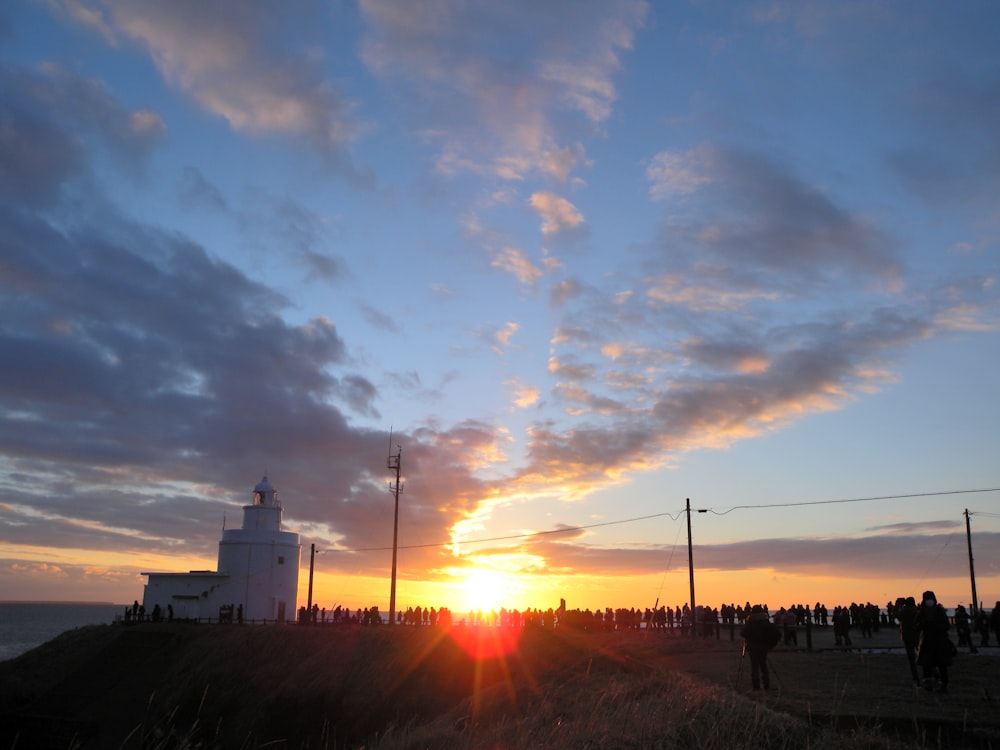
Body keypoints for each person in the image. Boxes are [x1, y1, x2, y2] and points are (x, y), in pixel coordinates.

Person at [915, 590, 951, 692]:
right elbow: (917, 625)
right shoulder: (922, 611)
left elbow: (946, 625)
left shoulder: (939, 610)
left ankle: (943, 684)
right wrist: (924, 624)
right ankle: (928, 684)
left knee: (941, 664)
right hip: (927, 641)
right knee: (926, 664)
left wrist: (936, 627)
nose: (929, 601)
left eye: (930, 599)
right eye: (927, 599)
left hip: (939, 641)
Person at [740, 605, 780, 690]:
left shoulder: (750, 621)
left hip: (752, 646)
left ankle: (756, 685)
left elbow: (743, 632)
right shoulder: (765, 621)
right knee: (763, 664)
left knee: (754, 666)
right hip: (763, 647)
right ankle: (766, 684)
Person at [896, 596, 920, 686]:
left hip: (908, 637)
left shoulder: (906, 611)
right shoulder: (916, 610)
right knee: (922, 655)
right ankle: (933, 675)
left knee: (911, 660)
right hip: (917, 636)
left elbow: (896, 615)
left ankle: (916, 678)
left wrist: (897, 605)